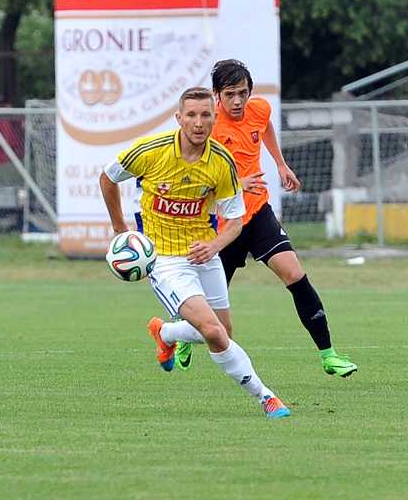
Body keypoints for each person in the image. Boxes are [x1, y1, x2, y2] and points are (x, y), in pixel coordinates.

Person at [99, 86, 290, 418]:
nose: (198, 123)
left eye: (205, 115)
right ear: (179, 118)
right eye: (191, 115)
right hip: (165, 261)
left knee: (223, 333)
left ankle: (167, 332)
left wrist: (214, 245)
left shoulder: (221, 162)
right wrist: (120, 229)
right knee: (213, 331)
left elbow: (234, 220)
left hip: (204, 253)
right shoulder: (151, 152)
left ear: (214, 119)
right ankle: (266, 397)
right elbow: (108, 177)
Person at [173, 59, 357, 378]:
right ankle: (182, 335)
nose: (236, 101)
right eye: (229, 94)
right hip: (224, 224)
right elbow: (192, 181)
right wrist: (234, 184)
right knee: (211, 305)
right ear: (216, 95)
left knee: (295, 275)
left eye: (242, 93)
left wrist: (281, 164)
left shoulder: (258, 109)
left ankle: (329, 355)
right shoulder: (206, 128)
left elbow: (265, 126)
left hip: (258, 213)